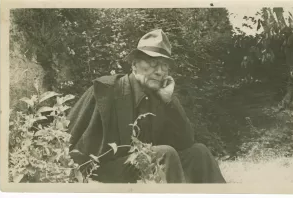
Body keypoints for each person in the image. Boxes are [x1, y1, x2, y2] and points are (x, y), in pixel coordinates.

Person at [67, 29, 226, 183]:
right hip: (104, 171)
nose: (159, 71)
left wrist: (169, 101)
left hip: (142, 165)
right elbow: (68, 135)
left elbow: (186, 143)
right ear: (134, 64)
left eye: (164, 66)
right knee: (165, 153)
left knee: (199, 152)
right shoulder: (105, 91)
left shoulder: (160, 97)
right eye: (152, 62)